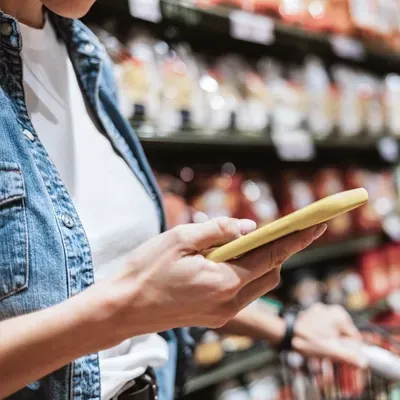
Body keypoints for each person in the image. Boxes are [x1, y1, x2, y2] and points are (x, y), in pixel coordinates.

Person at [0, 1, 365, 399]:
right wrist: (124, 309)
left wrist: (286, 327)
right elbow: (126, 298)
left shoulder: (86, 55)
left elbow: (115, 276)